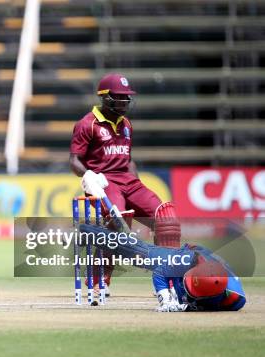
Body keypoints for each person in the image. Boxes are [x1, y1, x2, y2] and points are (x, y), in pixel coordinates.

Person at [69, 73, 181, 293]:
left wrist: (137, 190)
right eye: (119, 97)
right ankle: (98, 277)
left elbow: (128, 159)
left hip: (129, 181)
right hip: (103, 181)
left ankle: (166, 280)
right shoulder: (87, 124)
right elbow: (74, 161)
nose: (124, 101)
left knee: (166, 221)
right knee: (119, 224)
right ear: (105, 97)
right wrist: (89, 175)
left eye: (126, 97)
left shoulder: (126, 124)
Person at [79, 222, 246, 312]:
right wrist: (166, 298)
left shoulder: (235, 300)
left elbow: (202, 303)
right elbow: (160, 272)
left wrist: (186, 304)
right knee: (138, 253)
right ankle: (85, 231)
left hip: (206, 271)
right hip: (192, 255)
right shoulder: (188, 261)